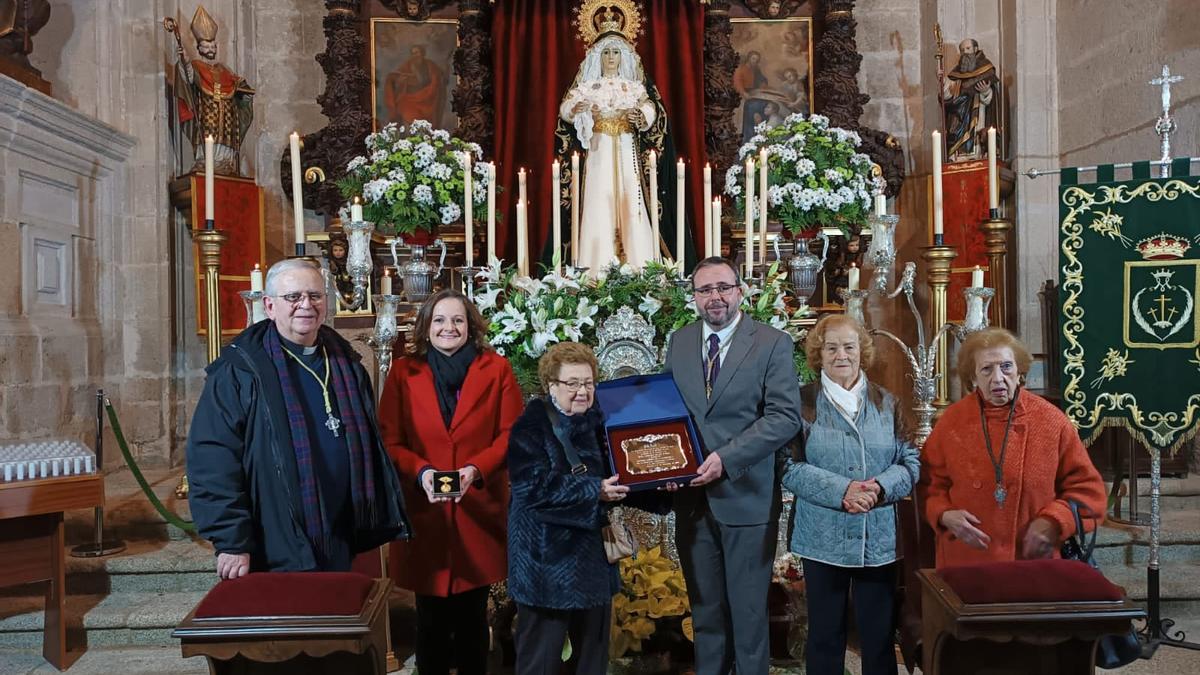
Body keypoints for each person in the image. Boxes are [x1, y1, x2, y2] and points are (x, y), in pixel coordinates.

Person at [186, 259, 410, 578]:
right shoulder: (239, 372)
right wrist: (231, 540)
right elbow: (212, 459)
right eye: (293, 297)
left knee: (335, 624)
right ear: (269, 305)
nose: (306, 305)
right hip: (274, 535)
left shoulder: (348, 365)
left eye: (315, 296)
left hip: (340, 531)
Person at [663, 257, 802, 675]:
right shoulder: (681, 342)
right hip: (693, 500)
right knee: (704, 613)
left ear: (740, 291)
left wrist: (726, 459)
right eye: (705, 290)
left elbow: (784, 417)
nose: (715, 297)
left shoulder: (772, 342)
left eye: (723, 287)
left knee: (748, 616)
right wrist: (665, 464)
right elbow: (669, 414)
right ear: (694, 298)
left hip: (747, 497)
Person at [378, 289, 522, 675]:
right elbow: (389, 440)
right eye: (440, 320)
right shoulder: (402, 372)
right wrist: (422, 471)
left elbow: (511, 434)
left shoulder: (497, 369)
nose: (449, 328)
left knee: (474, 618)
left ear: (471, 326)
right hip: (424, 511)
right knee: (430, 621)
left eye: (457, 320)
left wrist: (476, 468)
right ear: (426, 328)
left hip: (479, 507)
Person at [782, 315, 920, 675]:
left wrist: (878, 488)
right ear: (819, 354)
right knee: (825, 637)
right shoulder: (800, 403)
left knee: (878, 637)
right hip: (821, 538)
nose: (840, 355)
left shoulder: (887, 403)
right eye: (831, 347)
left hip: (879, 541)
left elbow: (910, 462)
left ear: (862, 351)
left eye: (849, 346)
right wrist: (843, 490)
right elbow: (788, 467)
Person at [919, 328, 1106, 567]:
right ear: (973, 377)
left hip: (1034, 566)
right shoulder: (951, 422)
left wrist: (1054, 521)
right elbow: (928, 486)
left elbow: (1088, 492)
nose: (998, 378)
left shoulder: (1051, 421)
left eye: (1006, 367)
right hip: (967, 563)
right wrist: (944, 514)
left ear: (1019, 372)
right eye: (986, 369)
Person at [506, 342, 631, 675]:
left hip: (592, 566)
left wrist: (662, 484)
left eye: (588, 383)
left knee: (591, 661)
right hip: (545, 567)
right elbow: (531, 490)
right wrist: (594, 490)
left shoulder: (602, 425)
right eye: (572, 383)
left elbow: (623, 476)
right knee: (540, 662)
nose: (582, 392)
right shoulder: (529, 428)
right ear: (551, 386)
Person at [558, 32, 662, 271]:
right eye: (606, 53)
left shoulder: (633, 87)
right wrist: (577, 108)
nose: (611, 58)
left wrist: (641, 116)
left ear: (623, 57)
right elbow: (566, 108)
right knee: (599, 199)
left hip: (626, 149)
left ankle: (638, 264)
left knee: (631, 199)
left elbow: (649, 107)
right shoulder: (588, 86)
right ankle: (595, 265)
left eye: (615, 52)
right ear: (598, 58)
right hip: (599, 150)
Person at [172, 4, 255, 176]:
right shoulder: (196, 66)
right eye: (206, 46)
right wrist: (185, 61)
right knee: (209, 131)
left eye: (212, 46)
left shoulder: (224, 70)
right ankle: (206, 159)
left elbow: (237, 86)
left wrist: (244, 93)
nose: (210, 50)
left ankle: (225, 160)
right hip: (207, 110)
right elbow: (187, 79)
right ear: (199, 48)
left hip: (227, 113)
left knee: (226, 134)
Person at [941, 38, 999, 161]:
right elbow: (948, 98)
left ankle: (978, 155)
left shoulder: (985, 69)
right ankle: (955, 156)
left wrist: (985, 92)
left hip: (978, 116)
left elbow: (991, 101)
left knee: (977, 145)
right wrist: (943, 82)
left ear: (976, 49)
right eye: (962, 50)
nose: (965, 53)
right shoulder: (956, 74)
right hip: (958, 119)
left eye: (968, 49)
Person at [385, 44, 445, 127]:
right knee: (403, 103)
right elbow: (397, 76)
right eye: (413, 53)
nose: (415, 56)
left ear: (422, 53)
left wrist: (429, 90)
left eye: (417, 53)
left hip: (428, 97)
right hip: (411, 98)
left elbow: (437, 78)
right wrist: (400, 80)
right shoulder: (408, 64)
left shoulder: (430, 65)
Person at [733, 50, 770, 142]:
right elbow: (737, 83)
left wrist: (763, 85)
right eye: (753, 59)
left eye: (756, 60)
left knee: (764, 103)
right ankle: (748, 135)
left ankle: (762, 132)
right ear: (748, 58)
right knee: (751, 106)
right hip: (744, 94)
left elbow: (762, 80)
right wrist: (744, 93)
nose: (755, 61)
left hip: (754, 93)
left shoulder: (756, 69)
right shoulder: (740, 69)